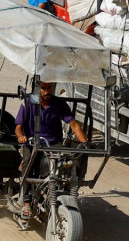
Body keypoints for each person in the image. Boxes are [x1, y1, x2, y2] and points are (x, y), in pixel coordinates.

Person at [14, 81, 88, 217]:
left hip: (54, 142)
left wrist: (84, 143)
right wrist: (21, 137)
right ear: (37, 88)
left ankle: (68, 189)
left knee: (70, 159)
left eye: (49, 88)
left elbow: (74, 125)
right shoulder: (28, 102)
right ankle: (26, 202)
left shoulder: (58, 103)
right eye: (43, 88)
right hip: (32, 142)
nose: (47, 91)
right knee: (28, 163)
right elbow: (18, 128)